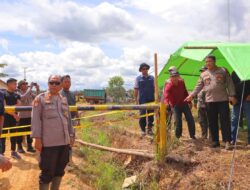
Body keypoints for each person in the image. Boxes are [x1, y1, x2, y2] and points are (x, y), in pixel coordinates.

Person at [31, 75, 75, 190]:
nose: (54, 85)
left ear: (61, 85)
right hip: (49, 144)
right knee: (47, 173)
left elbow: (68, 120)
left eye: (57, 83)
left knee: (60, 171)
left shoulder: (63, 99)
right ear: (48, 84)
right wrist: (37, 139)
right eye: (51, 83)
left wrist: (71, 135)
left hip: (64, 143)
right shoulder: (40, 99)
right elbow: (36, 120)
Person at [185, 55, 236, 149]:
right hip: (210, 101)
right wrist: (191, 95)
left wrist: (232, 95)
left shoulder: (223, 70)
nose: (208, 63)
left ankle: (227, 141)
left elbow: (229, 83)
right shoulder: (203, 74)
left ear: (214, 61)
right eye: (206, 62)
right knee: (212, 122)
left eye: (210, 61)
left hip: (223, 100)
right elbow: (198, 86)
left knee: (225, 121)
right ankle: (215, 142)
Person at [163, 70, 196, 139]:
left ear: (178, 77)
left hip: (184, 103)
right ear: (170, 78)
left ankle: (192, 136)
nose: (175, 78)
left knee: (190, 119)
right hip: (175, 106)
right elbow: (166, 96)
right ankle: (178, 137)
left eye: (176, 76)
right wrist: (166, 103)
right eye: (173, 77)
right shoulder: (169, 86)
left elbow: (185, 92)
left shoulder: (181, 82)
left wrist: (189, 102)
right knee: (177, 121)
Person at [0, 78, 22, 159]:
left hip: (14, 119)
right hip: (4, 119)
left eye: (16, 84)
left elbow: (20, 105)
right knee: (3, 136)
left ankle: (13, 152)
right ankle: (1, 153)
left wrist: (17, 114)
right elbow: (4, 107)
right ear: (9, 84)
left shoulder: (17, 95)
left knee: (14, 136)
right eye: (14, 84)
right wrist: (14, 114)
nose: (16, 85)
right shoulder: (3, 94)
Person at [16, 80, 40, 153]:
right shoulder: (17, 93)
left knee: (29, 132)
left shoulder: (29, 93)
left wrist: (37, 89)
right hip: (21, 116)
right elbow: (23, 98)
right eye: (24, 84)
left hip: (30, 116)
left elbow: (37, 98)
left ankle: (29, 146)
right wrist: (31, 87)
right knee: (20, 132)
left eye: (26, 84)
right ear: (20, 86)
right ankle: (19, 147)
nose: (26, 85)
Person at [134, 63, 155, 137]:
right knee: (142, 115)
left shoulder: (152, 78)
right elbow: (136, 89)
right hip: (142, 100)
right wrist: (136, 99)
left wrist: (157, 98)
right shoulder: (138, 79)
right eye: (143, 69)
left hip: (151, 99)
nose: (145, 70)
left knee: (151, 116)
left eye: (146, 68)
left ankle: (150, 129)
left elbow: (155, 88)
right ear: (141, 70)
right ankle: (142, 130)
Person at [231, 71, 250, 145]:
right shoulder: (234, 72)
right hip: (236, 99)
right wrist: (232, 97)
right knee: (234, 119)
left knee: (249, 120)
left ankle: (249, 140)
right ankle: (233, 139)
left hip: (248, 100)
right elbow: (230, 85)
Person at [193, 66, 209, 139]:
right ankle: (204, 135)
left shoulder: (210, 81)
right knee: (202, 121)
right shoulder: (199, 81)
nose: (202, 72)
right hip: (200, 105)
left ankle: (212, 137)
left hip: (209, 105)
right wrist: (195, 102)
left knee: (210, 121)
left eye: (204, 71)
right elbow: (196, 91)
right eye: (201, 71)